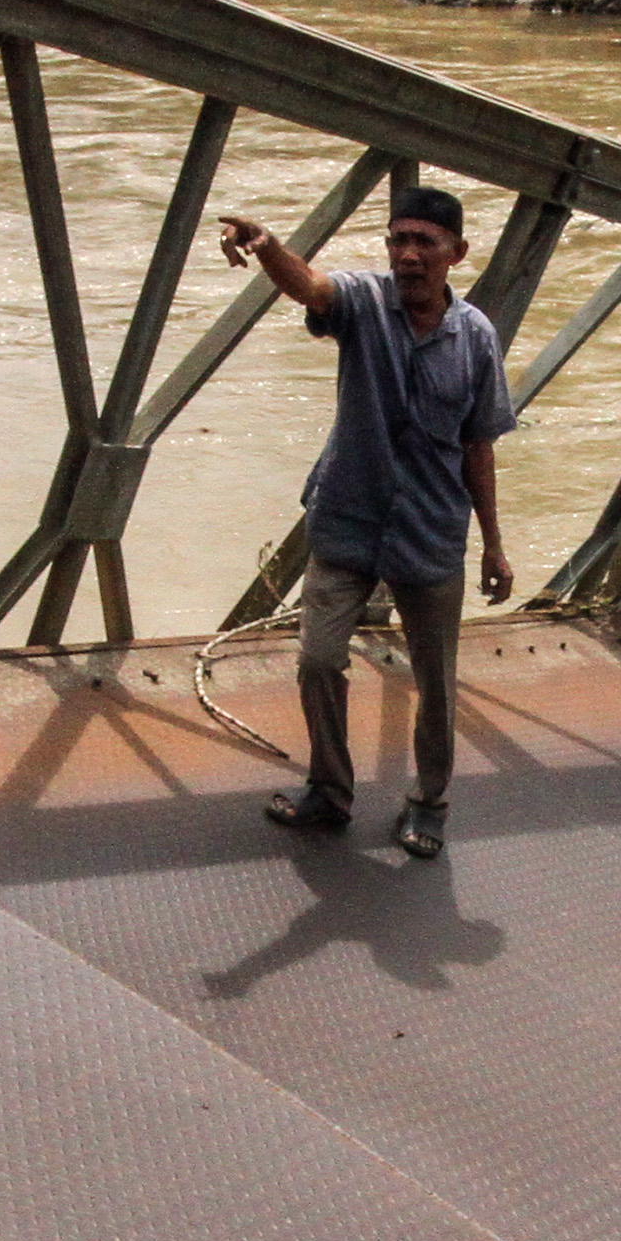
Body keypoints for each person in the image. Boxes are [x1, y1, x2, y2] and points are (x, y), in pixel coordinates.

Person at [217, 188, 516, 860]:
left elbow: (479, 447)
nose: (407, 255)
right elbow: (311, 286)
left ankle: (429, 801)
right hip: (349, 517)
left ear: (457, 254)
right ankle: (330, 789)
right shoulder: (362, 302)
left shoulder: (475, 338)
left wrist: (494, 545)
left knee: (436, 683)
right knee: (319, 659)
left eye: (424, 242)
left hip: (430, 529)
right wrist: (269, 249)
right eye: (397, 239)